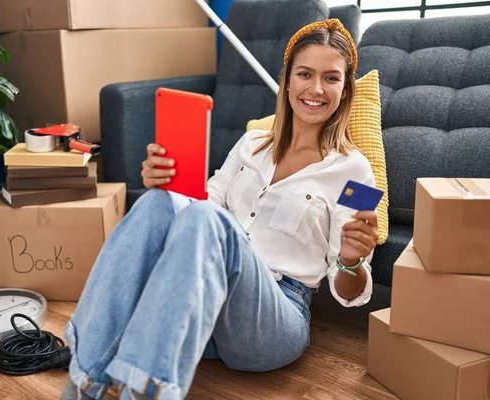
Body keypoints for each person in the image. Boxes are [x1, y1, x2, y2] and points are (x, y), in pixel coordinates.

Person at [61, 18, 379, 400]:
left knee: (206, 218)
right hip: (205, 304)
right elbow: (200, 207)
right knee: (158, 202)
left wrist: (350, 261)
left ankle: (146, 394)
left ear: (345, 91)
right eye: (305, 74)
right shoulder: (251, 143)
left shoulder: (357, 170)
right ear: (287, 80)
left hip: (275, 320)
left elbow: (351, 292)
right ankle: (82, 381)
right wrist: (165, 182)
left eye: (331, 78)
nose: (315, 88)